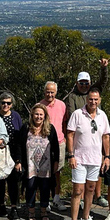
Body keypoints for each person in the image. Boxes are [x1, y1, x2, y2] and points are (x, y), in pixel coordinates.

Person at [66, 88, 110, 220]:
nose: (93, 102)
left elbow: (105, 137)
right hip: (79, 158)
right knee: (78, 190)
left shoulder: (102, 115)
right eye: (91, 99)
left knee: (91, 189)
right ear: (87, 99)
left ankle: (85, 218)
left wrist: (107, 156)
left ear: (99, 100)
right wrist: (71, 155)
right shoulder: (77, 114)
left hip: (95, 159)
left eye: (96, 99)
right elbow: (70, 135)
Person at [12, 103, 59, 220]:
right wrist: (18, 161)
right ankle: (31, 211)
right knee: (30, 187)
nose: (38, 117)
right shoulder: (26, 128)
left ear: (45, 116)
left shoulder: (50, 128)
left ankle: (43, 210)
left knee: (45, 188)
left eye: (41, 114)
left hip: (46, 166)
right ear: (32, 115)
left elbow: (55, 147)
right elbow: (19, 145)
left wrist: (56, 162)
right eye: (36, 114)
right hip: (30, 165)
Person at [0, 91, 22, 220]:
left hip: (13, 152)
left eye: (8, 103)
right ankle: (1, 206)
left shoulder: (16, 116)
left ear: (12, 104)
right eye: (3, 103)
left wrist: (19, 159)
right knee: (0, 181)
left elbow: (20, 137)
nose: (5, 105)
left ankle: (14, 208)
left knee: (13, 181)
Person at [39, 81, 68, 211]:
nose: (50, 94)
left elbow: (65, 122)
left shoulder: (62, 105)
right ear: (44, 91)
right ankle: (45, 201)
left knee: (57, 172)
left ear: (56, 92)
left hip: (60, 142)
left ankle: (56, 198)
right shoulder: (39, 106)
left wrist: (66, 137)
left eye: (52, 92)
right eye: (48, 91)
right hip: (44, 143)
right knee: (44, 173)